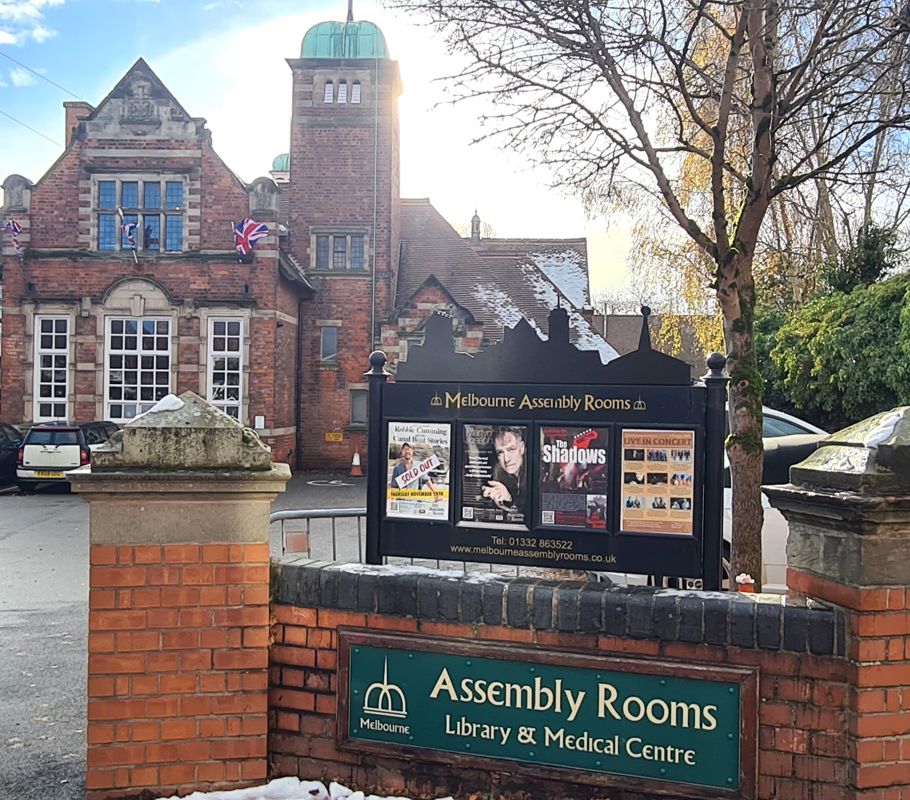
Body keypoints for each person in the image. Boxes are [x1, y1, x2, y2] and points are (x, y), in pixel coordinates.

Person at [481, 426, 525, 509]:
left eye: (511, 449)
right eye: (500, 452)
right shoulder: (496, 474)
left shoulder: (538, 472)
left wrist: (509, 498)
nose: (506, 459)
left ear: (522, 448)